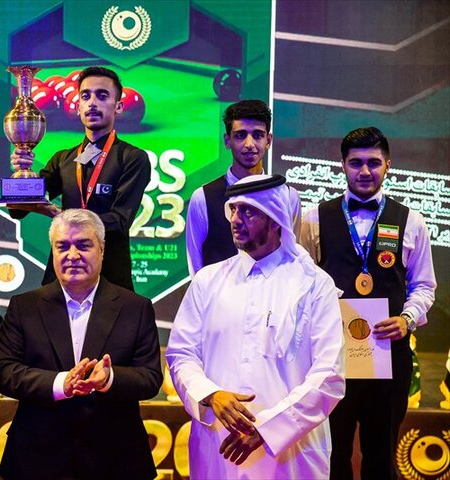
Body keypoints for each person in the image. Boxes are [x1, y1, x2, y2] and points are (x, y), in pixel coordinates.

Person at [167, 174, 345, 479]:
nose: (236, 220)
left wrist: (268, 430)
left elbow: (329, 376)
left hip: (290, 456)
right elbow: (181, 354)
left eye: (248, 212)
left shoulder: (314, 284)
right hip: (218, 448)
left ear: (275, 220)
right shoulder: (208, 281)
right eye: (233, 210)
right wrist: (211, 394)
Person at [300, 127, 436, 479]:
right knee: (332, 456)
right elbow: (301, 284)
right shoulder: (314, 218)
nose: (364, 171)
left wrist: (406, 319)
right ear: (342, 165)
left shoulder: (412, 221)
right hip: (332, 358)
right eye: (355, 162)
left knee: (382, 456)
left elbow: (423, 285)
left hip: (389, 354)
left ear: (388, 165)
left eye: (373, 162)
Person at [0, 208, 162, 480]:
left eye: (83, 245)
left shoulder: (135, 307)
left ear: (102, 249)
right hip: (36, 460)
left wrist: (109, 379)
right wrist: (61, 383)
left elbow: (150, 377)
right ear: (53, 251)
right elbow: (4, 371)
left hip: (115, 460)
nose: (72, 255)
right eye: (63, 246)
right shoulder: (25, 306)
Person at [9, 66, 150, 290]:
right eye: (85, 96)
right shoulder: (63, 159)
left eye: (102, 96)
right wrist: (22, 172)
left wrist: (62, 217)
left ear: (118, 106)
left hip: (111, 280)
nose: (92, 103)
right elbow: (17, 210)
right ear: (78, 106)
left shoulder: (133, 158)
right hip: (61, 278)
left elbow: (119, 221)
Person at [185, 100, 301, 276]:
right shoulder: (203, 197)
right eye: (240, 135)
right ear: (227, 140)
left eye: (257, 135)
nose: (249, 144)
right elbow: (196, 270)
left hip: (275, 292)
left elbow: (292, 255)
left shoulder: (288, 196)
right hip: (218, 293)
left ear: (268, 140)